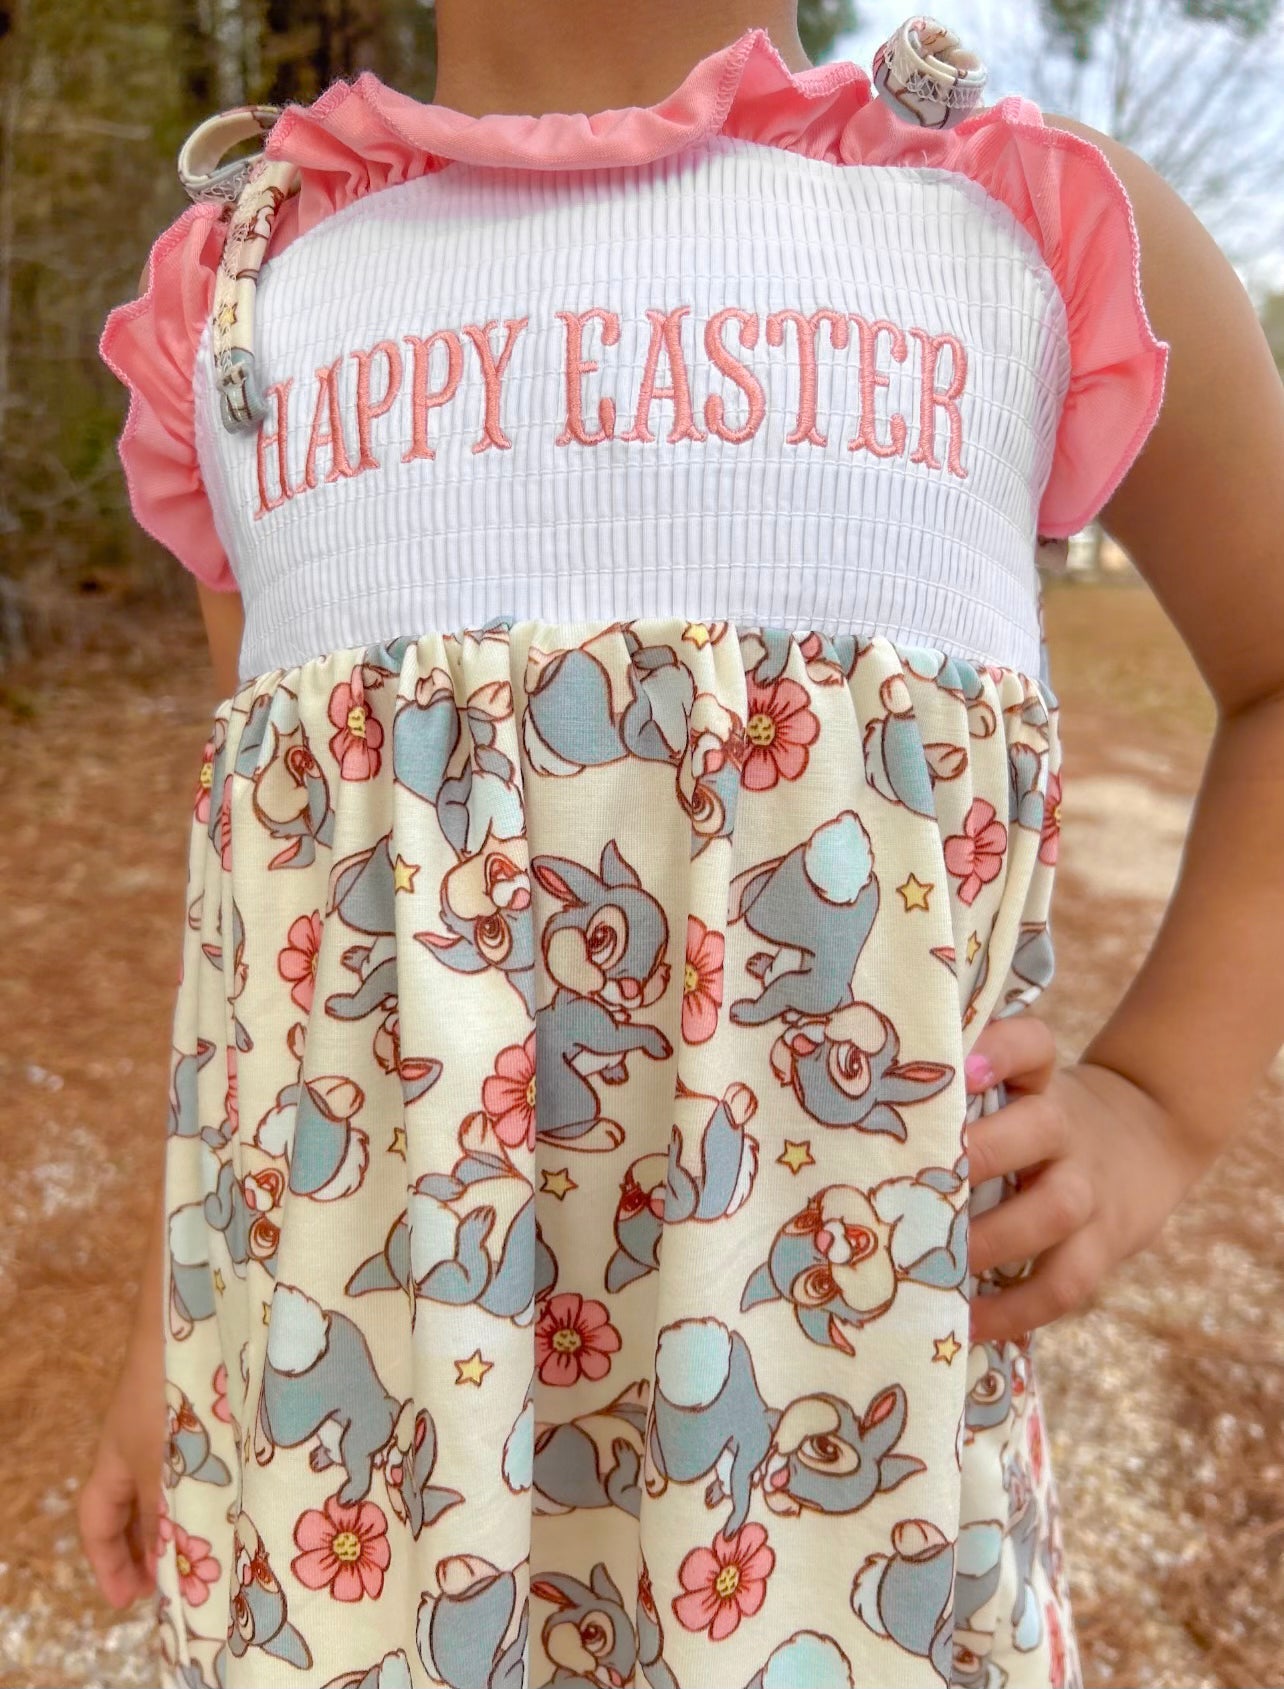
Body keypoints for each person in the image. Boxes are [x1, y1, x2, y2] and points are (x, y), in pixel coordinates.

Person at [79, 5, 1284, 1686]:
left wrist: (1159, 1102)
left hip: (825, 1533)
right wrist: (176, 1325)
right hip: (356, 1500)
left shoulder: (1019, 236)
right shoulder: (245, 305)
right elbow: (268, 933)